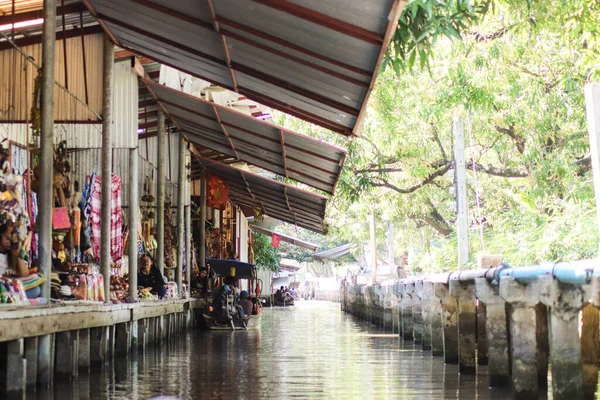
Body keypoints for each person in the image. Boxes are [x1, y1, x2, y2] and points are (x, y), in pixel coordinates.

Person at [0, 224, 39, 299]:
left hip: (11, 287)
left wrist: (17, 254)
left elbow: (25, 274)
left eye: (12, 240)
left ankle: (10, 298)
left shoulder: (12, 254)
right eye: (7, 238)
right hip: (2, 286)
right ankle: (11, 298)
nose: (9, 242)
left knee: (36, 290)